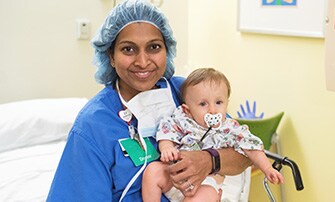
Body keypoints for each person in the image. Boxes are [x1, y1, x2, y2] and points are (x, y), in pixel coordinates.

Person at [46, 1, 251, 201]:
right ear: (110, 55)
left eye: (154, 47)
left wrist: (209, 161)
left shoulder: (185, 92)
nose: (143, 62)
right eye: (128, 49)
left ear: (166, 50)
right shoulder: (94, 124)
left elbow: (243, 153)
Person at [142, 68, 284, 202]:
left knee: (205, 195)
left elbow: (252, 147)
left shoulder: (230, 128)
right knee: (153, 171)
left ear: (226, 104)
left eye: (218, 102)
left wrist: (267, 168)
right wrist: (167, 148)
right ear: (188, 109)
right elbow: (166, 131)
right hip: (176, 176)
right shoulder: (183, 119)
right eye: (203, 104)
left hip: (206, 183)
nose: (212, 110)